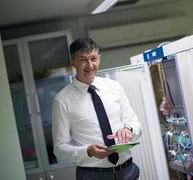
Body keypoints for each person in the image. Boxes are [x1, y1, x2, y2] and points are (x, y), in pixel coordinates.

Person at [52, 37, 142, 180]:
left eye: (93, 58)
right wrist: (87, 151)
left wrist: (128, 130)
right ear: (73, 63)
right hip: (92, 175)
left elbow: (135, 124)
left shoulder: (114, 87)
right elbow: (60, 149)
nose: (90, 65)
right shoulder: (62, 100)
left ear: (99, 58)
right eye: (83, 60)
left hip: (127, 171)